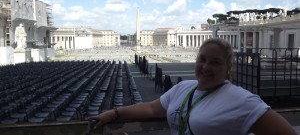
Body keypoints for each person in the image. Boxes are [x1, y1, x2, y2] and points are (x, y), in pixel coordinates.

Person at [88, 38, 297, 135]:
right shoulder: (184, 87)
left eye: (215, 62)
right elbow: (152, 108)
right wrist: (114, 112)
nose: (205, 67)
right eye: (202, 59)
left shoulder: (242, 100)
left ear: (228, 67)